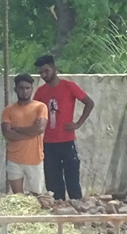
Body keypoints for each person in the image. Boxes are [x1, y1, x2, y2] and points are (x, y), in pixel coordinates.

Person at [33, 54, 94, 201]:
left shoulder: (69, 86)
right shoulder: (40, 92)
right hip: (48, 142)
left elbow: (89, 103)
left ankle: (77, 208)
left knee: (72, 179)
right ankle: (57, 208)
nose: (44, 75)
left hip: (67, 140)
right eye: (41, 73)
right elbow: (33, 111)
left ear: (54, 68)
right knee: (53, 182)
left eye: (46, 71)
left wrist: (78, 123)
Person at [1, 74, 49, 194]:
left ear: (32, 89)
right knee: (18, 197)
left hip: (34, 159)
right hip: (14, 159)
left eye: (28, 88)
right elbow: (7, 133)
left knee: (36, 196)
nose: (25, 91)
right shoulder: (8, 110)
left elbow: (40, 129)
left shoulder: (40, 107)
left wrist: (17, 128)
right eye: (21, 88)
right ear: (15, 89)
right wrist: (31, 132)